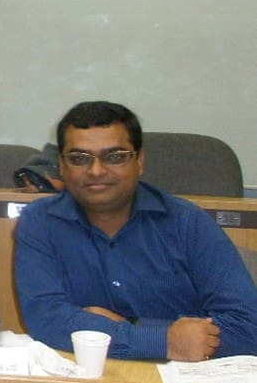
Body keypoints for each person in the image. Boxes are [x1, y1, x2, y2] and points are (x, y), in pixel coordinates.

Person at [14, 101, 257, 361]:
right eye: (79, 159)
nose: (96, 170)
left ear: (139, 161)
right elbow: (45, 319)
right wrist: (163, 339)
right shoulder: (40, 222)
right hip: (90, 382)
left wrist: (135, 328)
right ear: (61, 166)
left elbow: (248, 328)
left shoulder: (187, 223)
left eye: (115, 157)